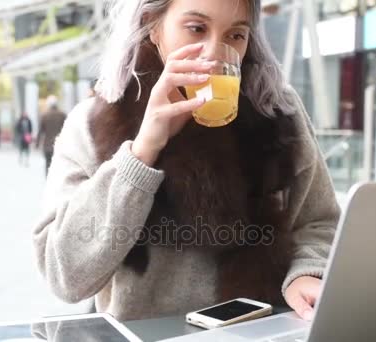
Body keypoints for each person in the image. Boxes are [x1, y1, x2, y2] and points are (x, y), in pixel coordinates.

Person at [33, 0, 340, 323]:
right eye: (196, 29)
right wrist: (141, 153)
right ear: (153, 25)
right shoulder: (92, 123)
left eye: (235, 35)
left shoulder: (276, 110)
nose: (214, 53)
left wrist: (306, 272)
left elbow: (319, 221)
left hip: (265, 329)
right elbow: (63, 275)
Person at [36, 95, 66, 176]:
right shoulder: (62, 115)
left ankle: (48, 180)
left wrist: (37, 144)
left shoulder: (44, 115)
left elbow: (40, 131)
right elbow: (67, 130)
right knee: (59, 164)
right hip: (60, 145)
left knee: (48, 164)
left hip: (47, 145)